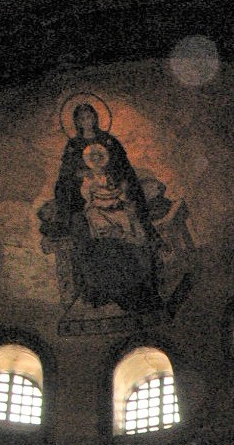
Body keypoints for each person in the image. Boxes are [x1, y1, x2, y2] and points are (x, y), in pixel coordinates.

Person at [47, 103, 161, 311]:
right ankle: (107, 290)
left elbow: (125, 170)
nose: (87, 121)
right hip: (90, 204)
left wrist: (118, 183)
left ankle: (138, 288)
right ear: (77, 122)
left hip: (115, 198)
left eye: (90, 116)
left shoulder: (109, 141)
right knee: (98, 236)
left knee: (130, 229)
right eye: (82, 118)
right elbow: (65, 178)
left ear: (96, 117)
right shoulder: (74, 146)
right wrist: (81, 175)